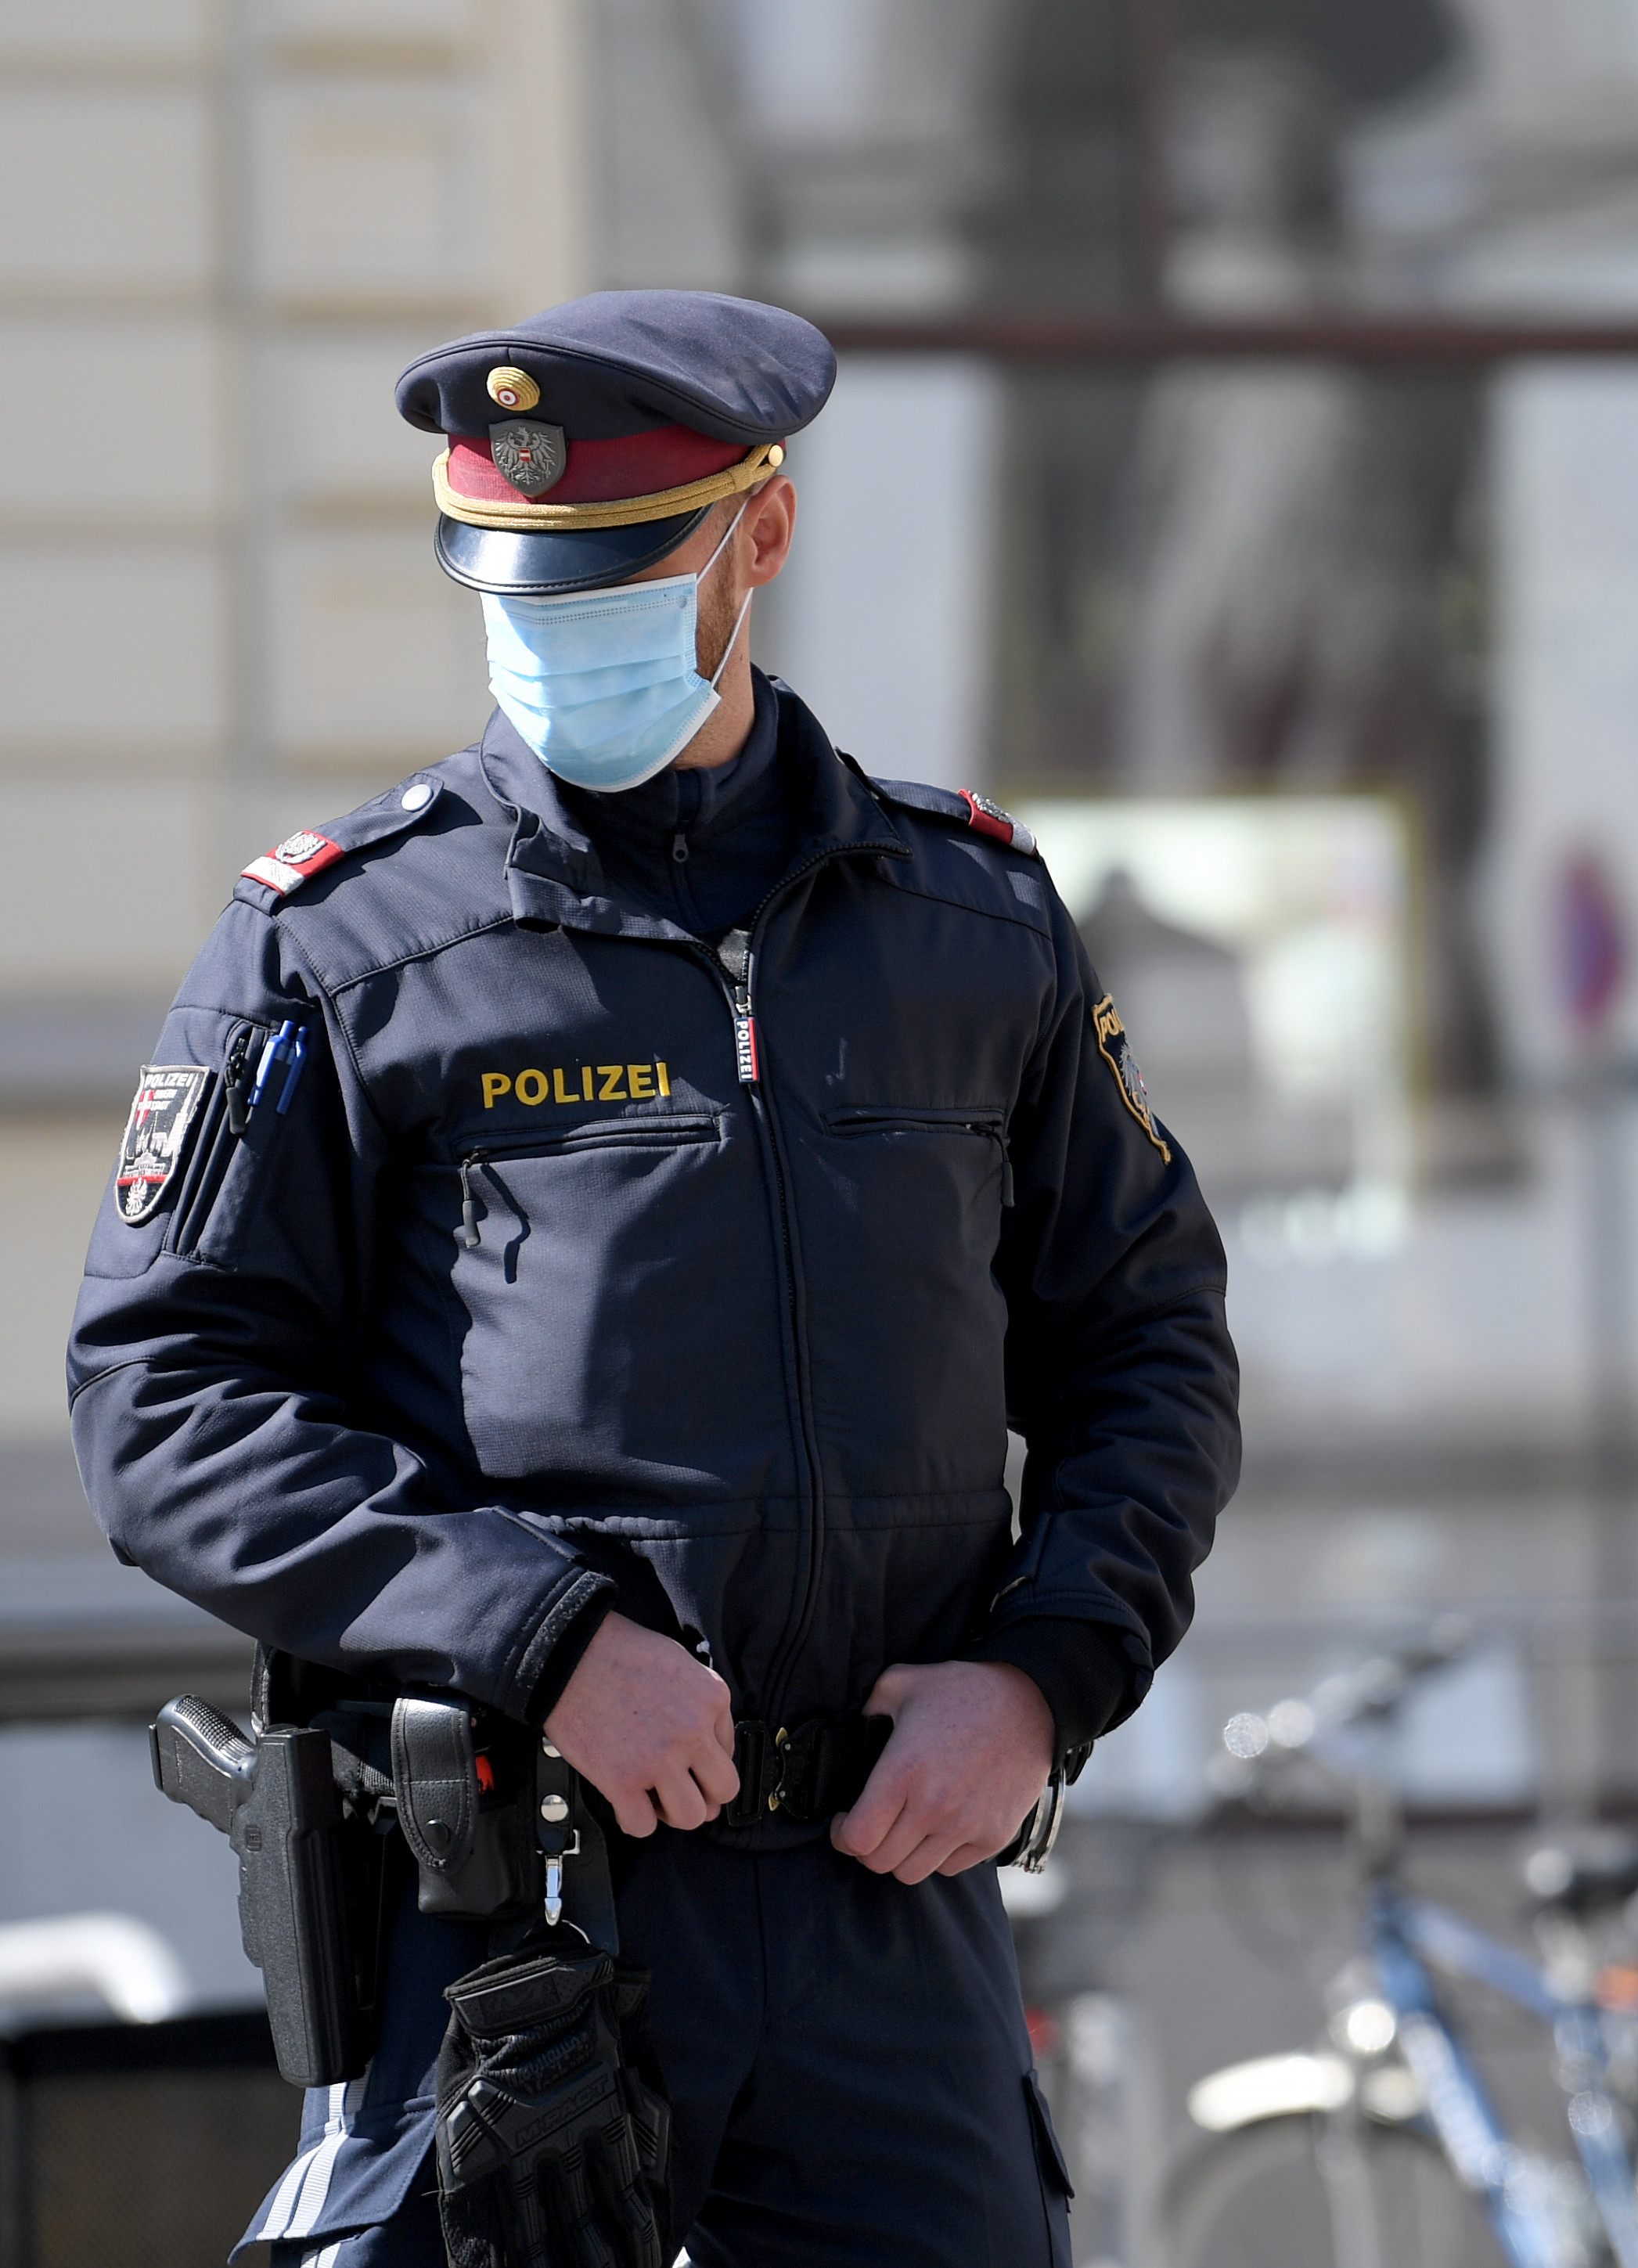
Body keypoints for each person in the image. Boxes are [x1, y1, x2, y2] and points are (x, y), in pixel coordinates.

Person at [69, 290, 1237, 2264]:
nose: (555, 634)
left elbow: (1148, 1347)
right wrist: (536, 1638)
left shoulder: (967, 924)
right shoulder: (348, 949)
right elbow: (162, 1398)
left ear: (757, 539)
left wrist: (1046, 1683)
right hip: (516, 1915)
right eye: (513, 589)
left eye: (612, 579)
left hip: (890, 1910)